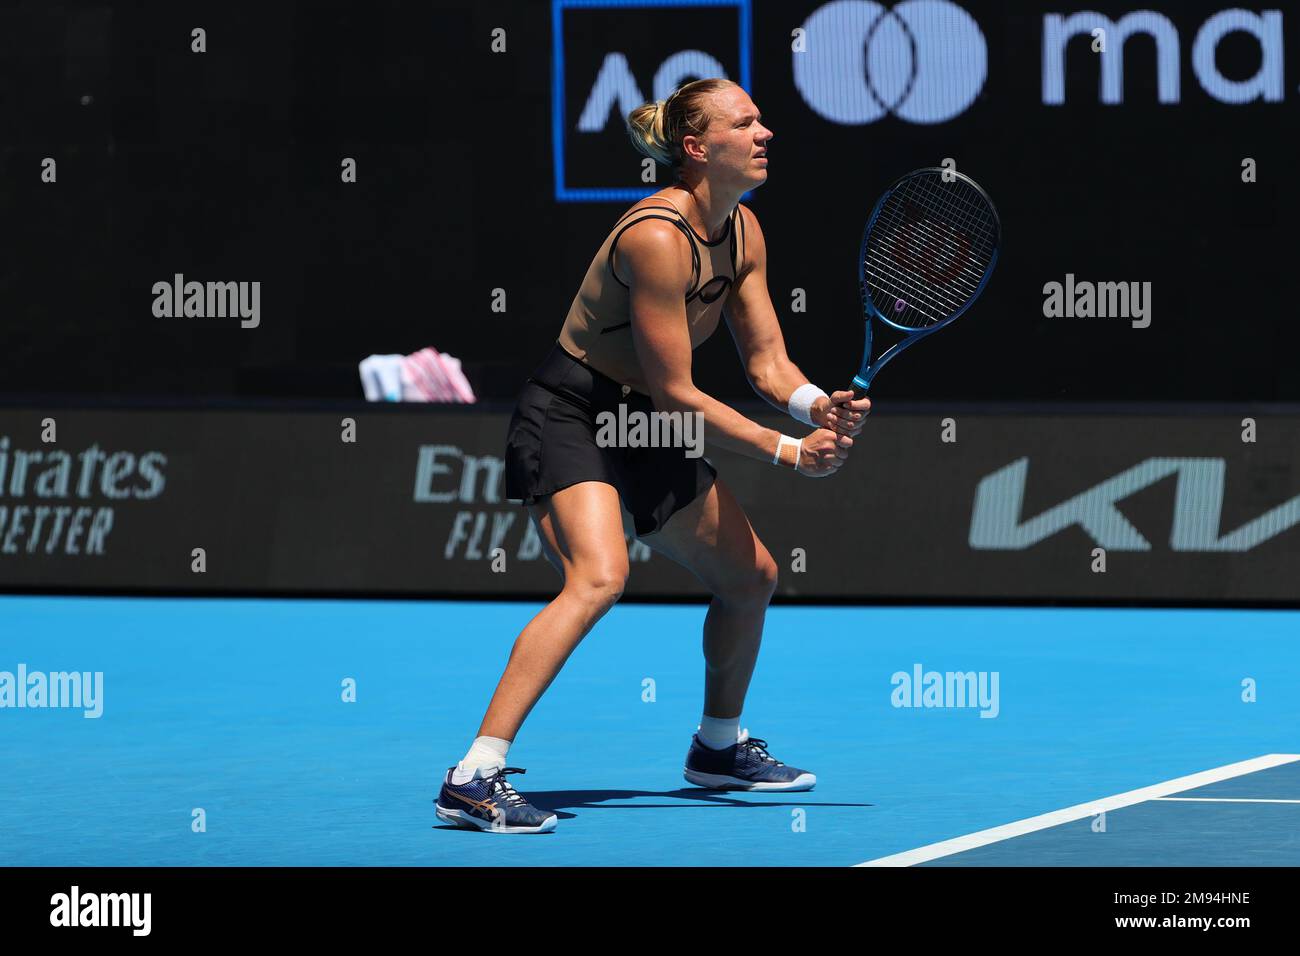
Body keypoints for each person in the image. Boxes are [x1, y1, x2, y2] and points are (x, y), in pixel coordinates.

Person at [435, 78, 870, 834]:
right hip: (572, 413)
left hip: (645, 423)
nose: (765, 132)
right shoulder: (656, 238)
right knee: (600, 577)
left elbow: (768, 363)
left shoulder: (745, 233)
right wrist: (789, 452)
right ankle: (474, 775)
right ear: (698, 149)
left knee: (752, 577)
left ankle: (718, 748)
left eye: (762, 119)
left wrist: (813, 407)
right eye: (746, 123)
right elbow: (676, 392)